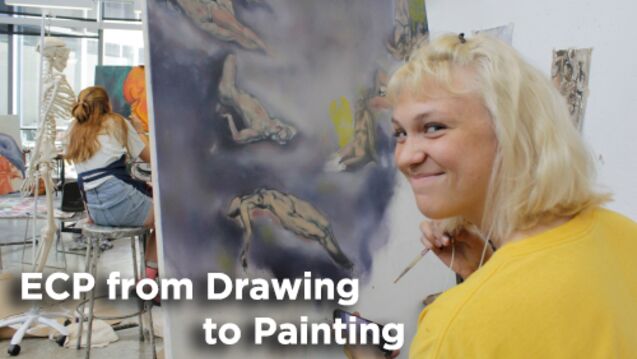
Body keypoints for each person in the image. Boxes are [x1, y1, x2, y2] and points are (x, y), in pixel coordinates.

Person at [349, 33, 637, 358]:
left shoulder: (454, 330)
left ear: (510, 130)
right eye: (400, 133)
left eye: (433, 127)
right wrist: (486, 272)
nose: (406, 157)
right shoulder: (622, 233)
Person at [65, 86, 159, 283]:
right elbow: (151, 158)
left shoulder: (74, 129)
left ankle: (148, 279)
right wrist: (139, 131)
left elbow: (85, 176)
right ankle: (148, 280)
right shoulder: (117, 122)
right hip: (119, 199)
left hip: (95, 210)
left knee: (151, 200)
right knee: (167, 219)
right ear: (107, 104)